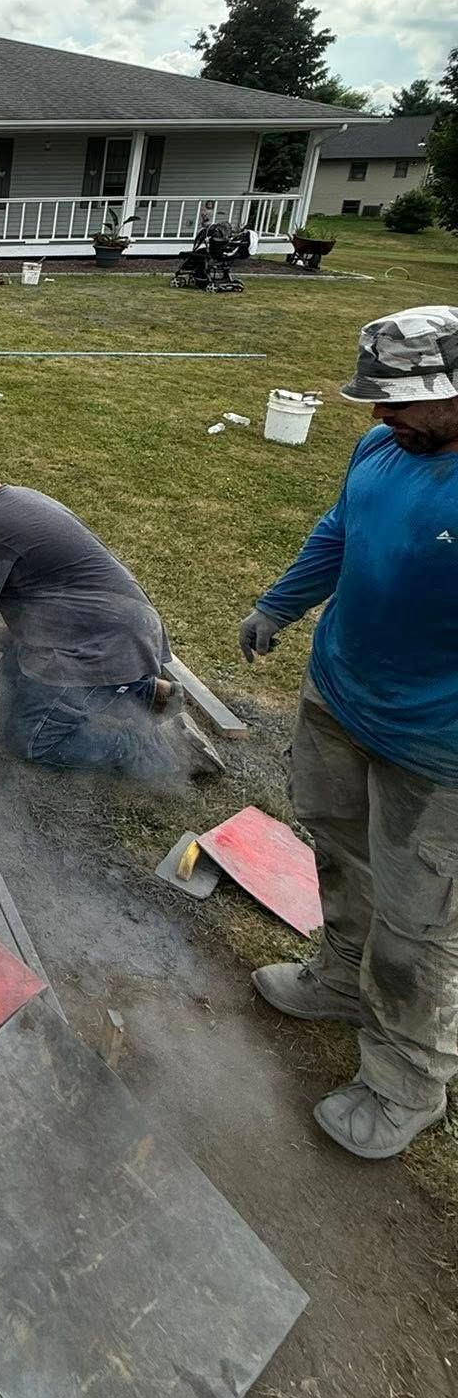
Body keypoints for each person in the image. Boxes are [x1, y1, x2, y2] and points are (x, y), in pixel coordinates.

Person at [239, 305, 458, 1160]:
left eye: (400, 400)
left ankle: (406, 1082)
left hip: (436, 751)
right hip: (339, 695)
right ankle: (339, 975)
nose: (378, 415)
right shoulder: (380, 449)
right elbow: (339, 533)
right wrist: (279, 606)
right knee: (334, 841)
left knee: (422, 922)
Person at [0, 455, 173, 774]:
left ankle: (140, 747)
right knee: (9, 683)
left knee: (32, 740)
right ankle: (147, 692)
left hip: (98, 642)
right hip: (116, 623)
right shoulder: (19, 499)